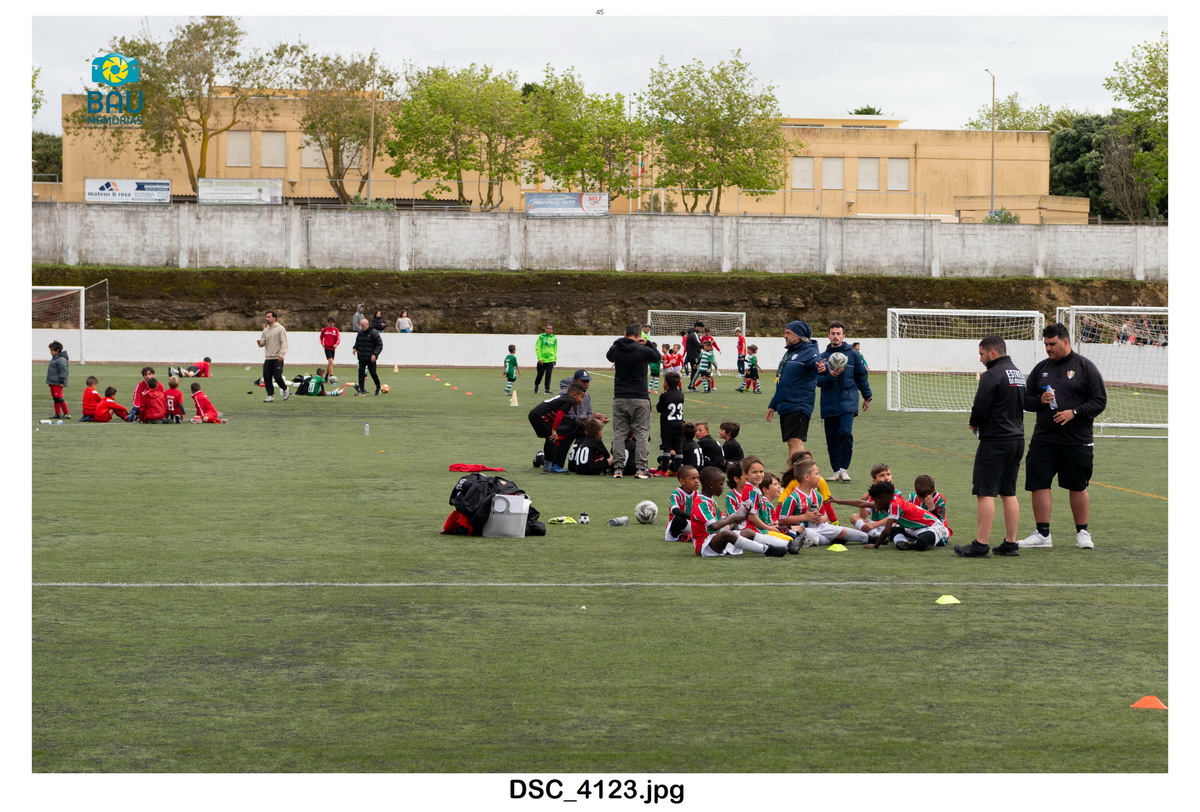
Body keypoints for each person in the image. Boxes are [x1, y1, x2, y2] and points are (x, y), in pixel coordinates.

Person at [1018, 322, 1108, 551]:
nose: (1048, 348)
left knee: (1077, 486)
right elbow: (1025, 400)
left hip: (1076, 440)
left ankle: (1082, 533)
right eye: (1046, 344)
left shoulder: (1085, 367)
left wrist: (1074, 412)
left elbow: (1099, 401)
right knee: (1039, 484)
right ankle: (1042, 534)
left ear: (1065, 342)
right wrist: (1039, 401)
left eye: (1052, 344)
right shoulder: (1041, 369)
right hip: (1044, 439)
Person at [955, 334, 1026, 559]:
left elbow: (980, 405)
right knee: (1008, 492)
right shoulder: (1017, 373)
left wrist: (974, 422)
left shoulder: (991, 375)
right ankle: (1010, 543)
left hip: (996, 440)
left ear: (992, 352)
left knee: (985, 492)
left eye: (982, 354)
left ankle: (981, 544)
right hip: (1017, 439)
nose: (980, 359)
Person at [683, 467, 789, 557]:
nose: (722, 488)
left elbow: (722, 519)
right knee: (727, 534)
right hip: (705, 544)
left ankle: (787, 544)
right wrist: (733, 518)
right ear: (711, 485)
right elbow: (713, 526)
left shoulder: (710, 500)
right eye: (720, 484)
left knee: (747, 531)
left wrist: (740, 515)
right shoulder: (700, 502)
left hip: (716, 538)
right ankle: (767, 550)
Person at [816, 322, 872, 482]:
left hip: (848, 400)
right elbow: (818, 381)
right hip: (829, 402)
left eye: (838, 333)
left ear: (843, 336)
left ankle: (843, 468)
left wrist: (867, 396)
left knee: (845, 432)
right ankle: (836, 470)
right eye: (833, 333)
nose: (835, 336)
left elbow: (861, 376)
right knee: (832, 438)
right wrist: (831, 375)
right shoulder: (822, 357)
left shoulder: (853, 355)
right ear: (828, 336)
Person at [606, 323, 662, 479]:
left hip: (620, 396)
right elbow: (657, 357)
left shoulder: (617, 348)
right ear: (639, 336)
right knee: (642, 434)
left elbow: (609, 356)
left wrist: (618, 341)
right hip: (639, 397)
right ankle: (641, 468)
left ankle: (618, 468)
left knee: (619, 434)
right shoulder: (642, 350)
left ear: (625, 334)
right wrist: (648, 343)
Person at [766, 320, 825, 459]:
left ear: (799, 335)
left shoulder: (810, 352)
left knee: (795, 442)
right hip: (787, 404)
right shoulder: (790, 352)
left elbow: (820, 364)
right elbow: (782, 382)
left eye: (788, 333)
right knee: (793, 442)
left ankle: (797, 470)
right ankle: (807, 469)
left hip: (798, 404)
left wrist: (824, 368)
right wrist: (773, 404)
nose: (785, 336)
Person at [778, 460, 868, 547]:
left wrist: (819, 518)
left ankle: (867, 538)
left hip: (820, 527)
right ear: (806, 477)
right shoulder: (793, 498)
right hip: (803, 530)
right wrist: (804, 517)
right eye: (817, 474)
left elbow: (824, 516)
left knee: (842, 531)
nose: (819, 477)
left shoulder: (818, 496)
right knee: (810, 535)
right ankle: (834, 539)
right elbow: (782, 520)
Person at [868, 480, 952, 551]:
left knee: (922, 542)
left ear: (883, 500)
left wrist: (875, 546)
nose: (875, 504)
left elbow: (886, 531)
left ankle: (913, 544)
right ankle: (902, 542)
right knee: (893, 530)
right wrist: (861, 503)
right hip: (915, 528)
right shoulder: (894, 498)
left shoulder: (894, 505)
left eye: (875, 501)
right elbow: (874, 505)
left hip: (933, 527)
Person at [528, 384, 586, 473]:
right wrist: (554, 430)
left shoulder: (565, 397)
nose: (582, 400)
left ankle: (547, 462)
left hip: (536, 415)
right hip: (538, 416)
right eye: (581, 397)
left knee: (550, 438)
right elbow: (560, 415)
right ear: (574, 395)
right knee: (551, 438)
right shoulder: (570, 401)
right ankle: (550, 465)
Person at [656, 371, 686, 474]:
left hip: (667, 425)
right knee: (679, 448)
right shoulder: (681, 395)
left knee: (666, 448)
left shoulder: (664, 395)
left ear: (666, 383)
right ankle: (677, 472)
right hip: (679, 424)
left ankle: (664, 471)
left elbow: (659, 409)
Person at [257, 310, 290, 402]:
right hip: (268, 357)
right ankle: (270, 395)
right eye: (266, 317)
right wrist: (260, 343)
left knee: (277, 376)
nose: (267, 319)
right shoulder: (265, 330)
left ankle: (285, 389)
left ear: (274, 318)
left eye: (269, 317)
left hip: (277, 357)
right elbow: (263, 343)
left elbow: (284, 342)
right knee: (267, 377)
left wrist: (282, 354)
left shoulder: (280, 329)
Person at [663, 465, 701, 543]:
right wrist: (691, 517)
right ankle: (680, 536)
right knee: (678, 519)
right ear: (682, 481)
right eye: (692, 479)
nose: (696, 481)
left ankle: (690, 535)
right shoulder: (676, 493)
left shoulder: (699, 494)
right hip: (680, 524)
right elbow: (674, 509)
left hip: (693, 524)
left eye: (698, 478)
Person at [351, 317, 384, 396]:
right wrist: (355, 348)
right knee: (361, 373)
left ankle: (378, 387)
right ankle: (361, 390)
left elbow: (379, 345)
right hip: (361, 357)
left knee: (373, 373)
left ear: (367, 324)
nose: (362, 327)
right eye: (361, 326)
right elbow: (357, 342)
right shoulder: (360, 333)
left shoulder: (374, 333)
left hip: (371, 358)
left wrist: (375, 354)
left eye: (363, 326)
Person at [46, 341, 71, 419]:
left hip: (58, 383)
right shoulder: (54, 359)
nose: (50, 352)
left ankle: (67, 413)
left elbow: (63, 371)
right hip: (53, 382)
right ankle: (57, 413)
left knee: (59, 398)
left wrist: (62, 381)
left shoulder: (61, 360)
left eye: (51, 350)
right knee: (55, 398)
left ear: (57, 350)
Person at [533, 323, 558, 395]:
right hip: (542, 360)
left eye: (550, 329)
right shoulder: (541, 337)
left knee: (548, 374)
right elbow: (538, 347)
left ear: (552, 330)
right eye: (547, 328)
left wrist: (555, 358)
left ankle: (547, 389)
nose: (548, 330)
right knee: (540, 374)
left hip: (550, 359)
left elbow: (555, 349)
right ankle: (536, 385)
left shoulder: (554, 338)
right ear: (545, 329)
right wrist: (539, 358)